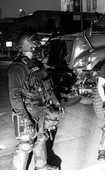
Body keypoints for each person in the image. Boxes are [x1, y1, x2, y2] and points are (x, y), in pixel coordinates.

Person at [7, 32, 65, 170]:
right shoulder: (18, 68)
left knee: (42, 137)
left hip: (41, 108)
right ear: (27, 46)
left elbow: (48, 87)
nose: (39, 47)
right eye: (36, 44)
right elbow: (14, 96)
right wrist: (26, 118)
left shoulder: (38, 65)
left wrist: (56, 103)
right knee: (26, 144)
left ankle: (41, 166)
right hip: (26, 110)